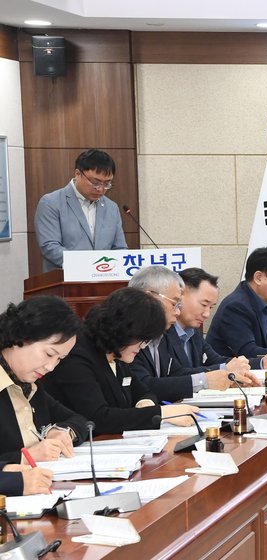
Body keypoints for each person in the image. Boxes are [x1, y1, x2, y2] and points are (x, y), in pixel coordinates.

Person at [41, 288, 198, 435]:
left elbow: (144, 391)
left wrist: (145, 403)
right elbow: (98, 418)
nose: (143, 346)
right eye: (142, 339)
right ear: (125, 331)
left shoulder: (118, 355)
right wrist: (160, 413)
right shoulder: (76, 355)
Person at [129, 267, 267, 401]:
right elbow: (145, 385)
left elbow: (177, 373)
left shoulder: (182, 332)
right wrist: (210, 378)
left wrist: (229, 376)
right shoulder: (132, 334)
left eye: (211, 307)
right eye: (175, 303)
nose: (177, 311)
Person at [0, 296, 86, 494]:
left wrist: (61, 432)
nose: (51, 367)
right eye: (49, 354)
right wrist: (24, 457)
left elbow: (80, 420)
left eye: (59, 359)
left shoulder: (29, 386)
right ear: (21, 336)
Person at [33, 149, 127, 271]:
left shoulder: (111, 207)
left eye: (107, 184)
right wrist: (90, 266)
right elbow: (50, 247)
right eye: (95, 182)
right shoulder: (51, 203)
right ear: (78, 174)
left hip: (106, 277)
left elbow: (120, 248)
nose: (100, 189)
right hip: (65, 278)